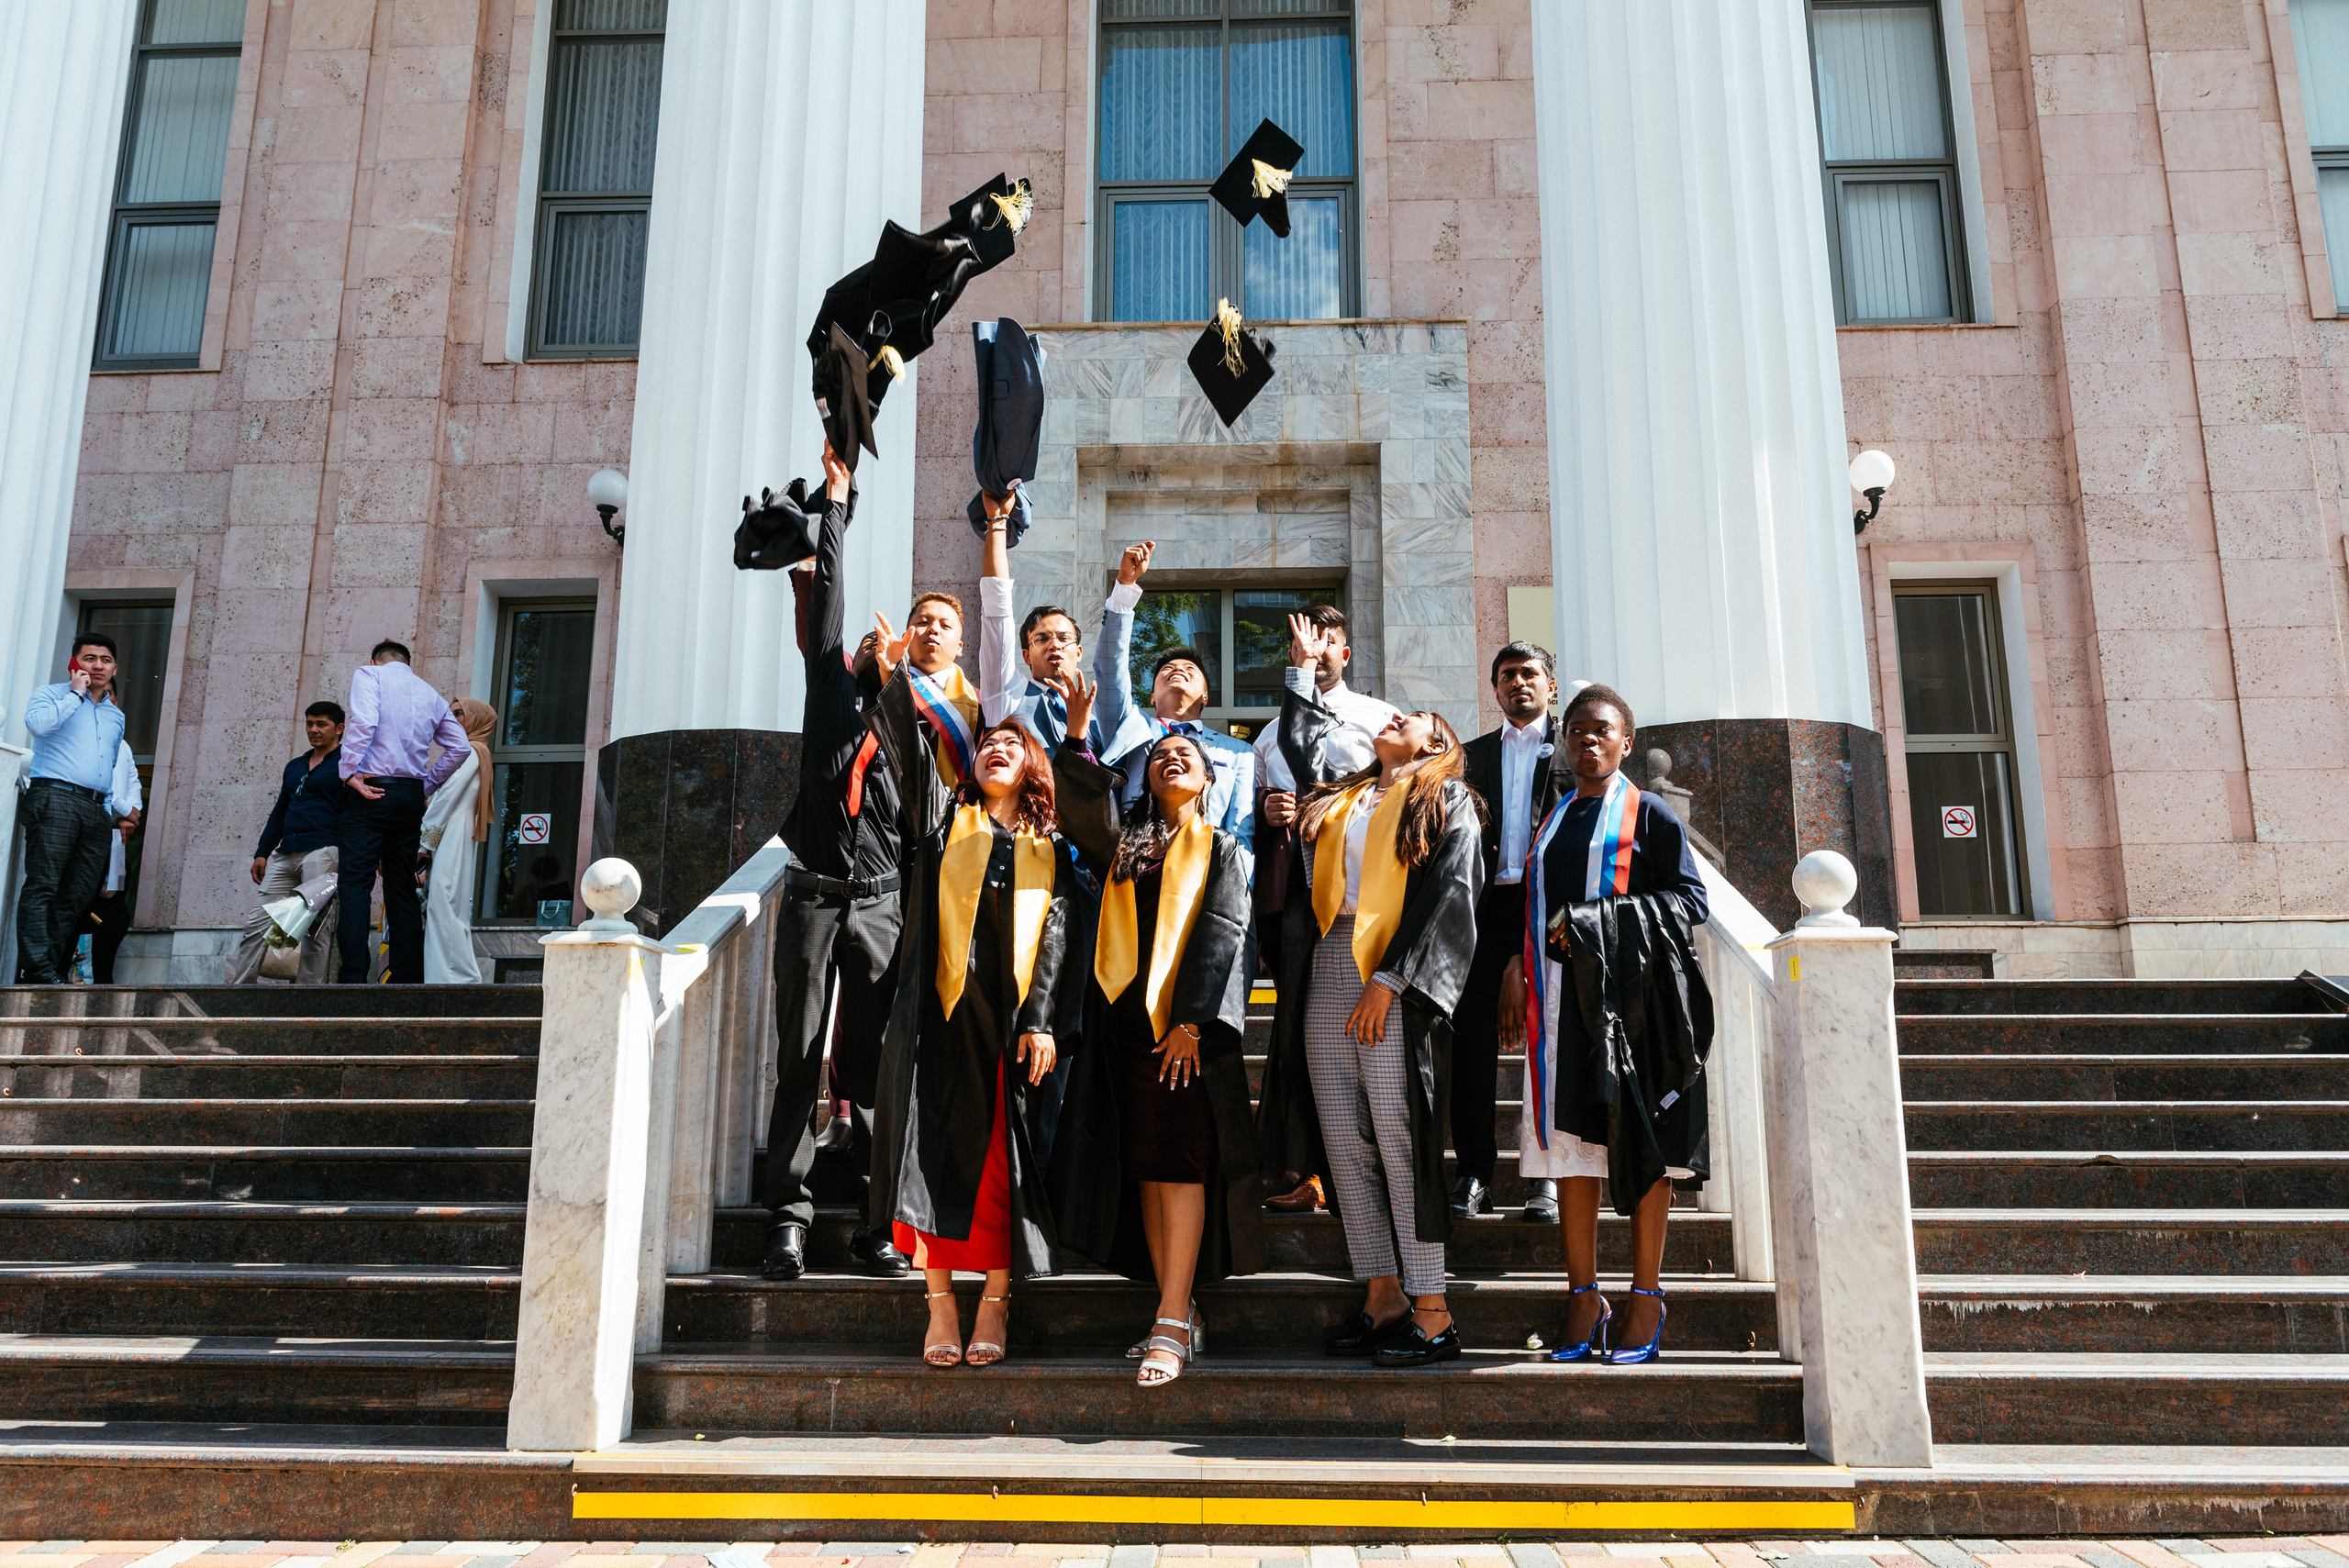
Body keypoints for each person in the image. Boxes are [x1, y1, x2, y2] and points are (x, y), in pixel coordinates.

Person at [1254, 612, 1483, 1370]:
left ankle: (1434, 1309)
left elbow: (1452, 895)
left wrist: (1392, 979)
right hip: (1327, 959)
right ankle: (1382, 1293)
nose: (1393, 717)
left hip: (1393, 969)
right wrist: (1301, 669)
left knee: (1397, 1134)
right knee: (1345, 1140)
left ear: (1437, 745)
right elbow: (1302, 745)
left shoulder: (1444, 800)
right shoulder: (1349, 795)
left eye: (1411, 717)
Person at [1045, 673, 1263, 1388]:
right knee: (1145, 1165)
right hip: (1124, 1029)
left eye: (1186, 757)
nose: (1172, 760)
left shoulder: (1222, 849)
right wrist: (1077, 735)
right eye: (1162, 755)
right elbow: (1082, 816)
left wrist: (1195, 1022)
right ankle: (1178, 1305)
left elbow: (1226, 932)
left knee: (1182, 1164)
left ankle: (1170, 1318)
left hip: (1181, 1035)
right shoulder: (1128, 845)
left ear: (1208, 780)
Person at [863, 653, 1074, 1369]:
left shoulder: (1049, 850)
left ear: (1033, 767)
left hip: (1008, 1023)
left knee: (998, 1166)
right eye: (988, 743)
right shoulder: (943, 822)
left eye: (1012, 743)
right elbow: (907, 751)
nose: (996, 748)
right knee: (927, 1158)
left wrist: (1040, 1019)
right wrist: (894, 676)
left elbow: (1054, 941)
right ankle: (940, 1303)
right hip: (938, 1016)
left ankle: (995, 1299)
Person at [1508, 683, 1712, 1366]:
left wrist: (1596, 924)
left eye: (1601, 729)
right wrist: (1518, 962)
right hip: (1559, 1006)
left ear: (1627, 742)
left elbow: (1690, 900)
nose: (1587, 739)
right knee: (1572, 1148)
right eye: (1576, 730)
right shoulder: (1557, 815)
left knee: (1641, 1146)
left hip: (1629, 1011)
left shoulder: (1648, 813)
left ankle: (1646, 1295)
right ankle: (1583, 1294)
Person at [760, 440, 912, 1284]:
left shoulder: (909, 726)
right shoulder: (829, 689)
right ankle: (788, 1218)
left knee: (876, 1067)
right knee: (799, 1056)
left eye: (884, 648)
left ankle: (876, 1224)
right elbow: (829, 598)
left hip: (882, 904)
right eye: (864, 643)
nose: (869, 645)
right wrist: (837, 505)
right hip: (816, 897)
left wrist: (901, 678)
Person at [1252, 602, 1396, 1213]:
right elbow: (1257, 813)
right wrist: (1268, 811)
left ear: (1346, 651)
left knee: (1362, 1039)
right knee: (1295, 1030)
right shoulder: (1269, 733)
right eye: (1301, 645)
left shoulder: (1380, 719)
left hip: (1363, 897)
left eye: (1326, 641)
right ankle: (1301, 1168)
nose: (1313, 652)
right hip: (1296, 895)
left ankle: (1371, 1175)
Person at [1453, 642, 1572, 1224]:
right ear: (1495, 688)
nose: (1518, 683)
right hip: (1483, 911)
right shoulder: (1470, 756)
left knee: (1548, 1039)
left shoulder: (1575, 751)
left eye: (1529, 674)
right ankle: (1474, 1171)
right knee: (1468, 1041)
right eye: (1507, 676)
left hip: (1555, 909)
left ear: (1551, 685)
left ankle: (1546, 1175)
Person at [1089, 539, 1256, 868]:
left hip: (1204, 875)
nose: (1178, 669)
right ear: (1152, 696)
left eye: (1190, 670)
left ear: (1205, 697)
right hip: (1135, 870)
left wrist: (1238, 890)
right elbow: (1110, 673)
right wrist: (1124, 589)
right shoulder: (1130, 729)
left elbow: (1242, 834)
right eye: (1167, 669)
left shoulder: (1238, 753)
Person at [336, 639, 469, 984]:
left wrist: (348, 771)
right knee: (402, 887)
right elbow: (460, 748)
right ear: (409, 665)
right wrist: (425, 786)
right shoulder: (430, 693)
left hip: (371, 791)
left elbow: (364, 722)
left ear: (374, 661)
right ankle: (406, 979)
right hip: (409, 796)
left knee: (355, 885)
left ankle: (353, 978)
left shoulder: (370, 675)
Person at [16, 632, 136, 984]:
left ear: (114, 668)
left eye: (105, 660)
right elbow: (37, 726)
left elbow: (107, 768)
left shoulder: (115, 716)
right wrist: (74, 694)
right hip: (55, 797)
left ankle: (50, 970)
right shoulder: (51, 695)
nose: (97, 666)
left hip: (95, 810)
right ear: (74, 663)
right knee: (43, 887)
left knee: (77, 897)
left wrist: (113, 812)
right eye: (89, 658)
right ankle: (36, 971)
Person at [975, 484, 1112, 751]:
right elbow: (996, 608)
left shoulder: (1100, 721)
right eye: (1042, 638)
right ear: (1026, 656)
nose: (1054, 645)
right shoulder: (1008, 695)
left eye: (1063, 638)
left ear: (1079, 652)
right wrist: (997, 521)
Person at [229, 701, 348, 984]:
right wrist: (262, 852)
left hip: (323, 850)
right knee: (258, 922)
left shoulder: (348, 763)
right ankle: (239, 991)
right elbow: (280, 810)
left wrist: (346, 854)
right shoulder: (295, 766)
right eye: (309, 724)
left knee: (313, 929)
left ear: (339, 728)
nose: (314, 730)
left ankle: (306, 995)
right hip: (286, 852)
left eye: (321, 724)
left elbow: (353, 813)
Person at [418, 696, 496, 984]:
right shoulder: (470, 752)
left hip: (451, 832)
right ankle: (449, 976)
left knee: (445, 902)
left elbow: (446, 798)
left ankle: (455, 977)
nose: (452, 720)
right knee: (445, 903)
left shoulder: (472, 751)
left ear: (476, 719)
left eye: (459, 714)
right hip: (451, 831)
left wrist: (424, 843)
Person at [78, 739, 145, 984]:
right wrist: (125, 810)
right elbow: (98, 783)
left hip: (114, 831)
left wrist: (129, 814)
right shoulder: (85, 735)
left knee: (113, 896)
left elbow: (132, 783)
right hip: (90, 823)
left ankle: (100, 981)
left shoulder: (124, 746)